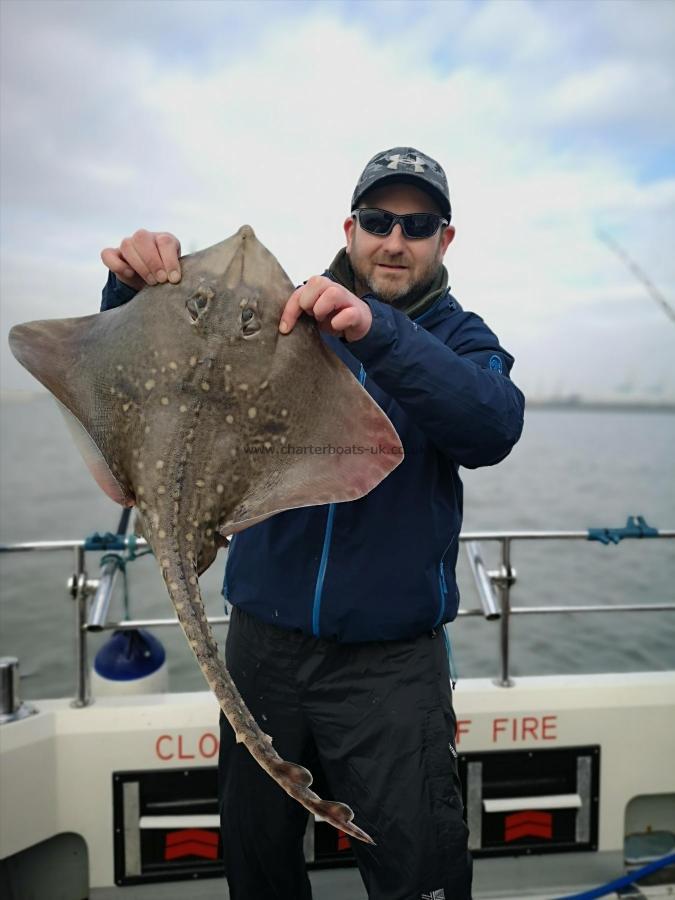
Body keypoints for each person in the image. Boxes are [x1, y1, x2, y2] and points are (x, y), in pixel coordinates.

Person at [100, 147, 525, 900]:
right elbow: (162, 387)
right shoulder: (281, 313)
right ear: (350, 226)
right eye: (376, 220)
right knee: (258, 866)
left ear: (443, 239)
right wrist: (126, 291)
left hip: (390, 669)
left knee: (416, 871)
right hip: (263, 647)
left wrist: (379, 334)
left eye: (416, 224)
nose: (393, 239)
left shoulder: (461, 340)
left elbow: (489, 426)